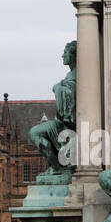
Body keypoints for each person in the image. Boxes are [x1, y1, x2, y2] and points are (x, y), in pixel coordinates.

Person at [29, 41, 77, 174]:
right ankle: (56, 168)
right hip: (62, 120)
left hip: (69, 120)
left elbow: (71, 91)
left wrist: (58, 87)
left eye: (65, 52)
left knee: (35, 133)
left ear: (73, 55)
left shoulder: (79, 74)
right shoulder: (71, 74)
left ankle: (58, 168)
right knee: (34, 133)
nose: (62, 56)